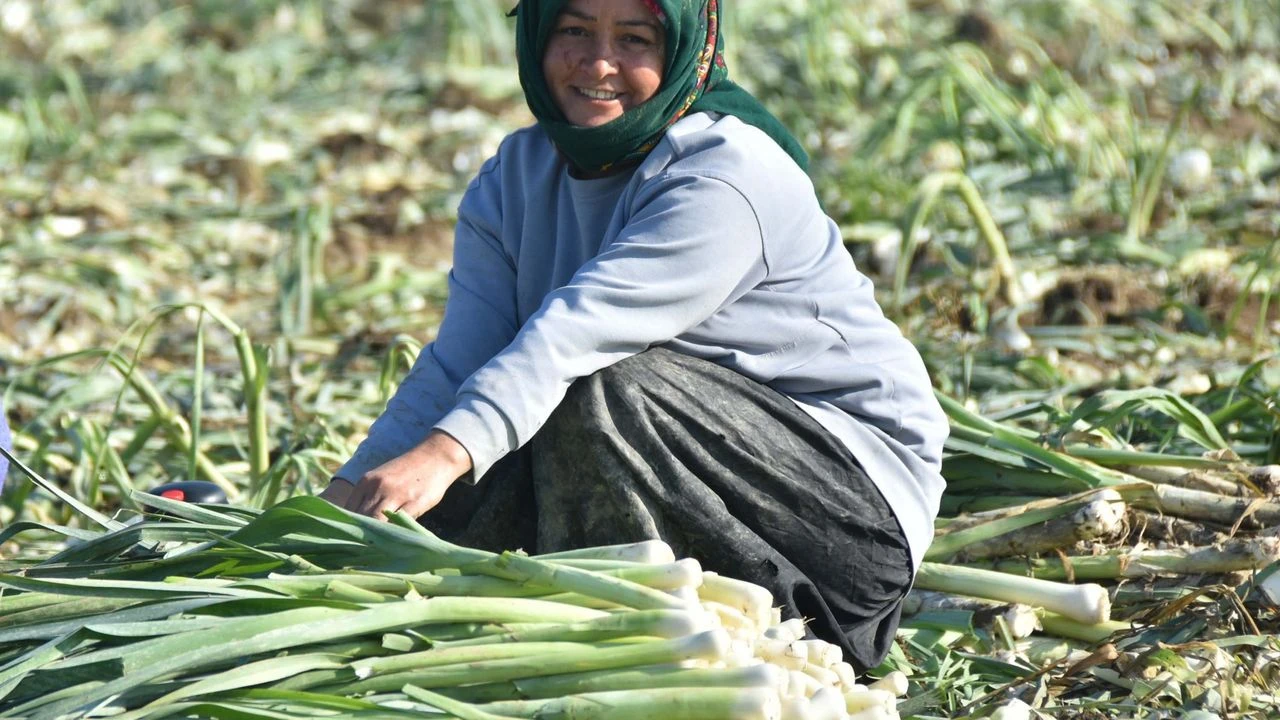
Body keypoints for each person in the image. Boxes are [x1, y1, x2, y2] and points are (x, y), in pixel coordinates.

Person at [320, 0, 948, 672]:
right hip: (657, 461)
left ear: (683, 49)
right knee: (436, 502)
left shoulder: (728, 174)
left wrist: (446, 453)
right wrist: (343, 503)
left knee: (595, 388)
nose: (599, 64)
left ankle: (678, 650)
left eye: (634, 39)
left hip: (845, 525)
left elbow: (578, 333)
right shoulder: (513, 179)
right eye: (574, 30)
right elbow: (456, 365)